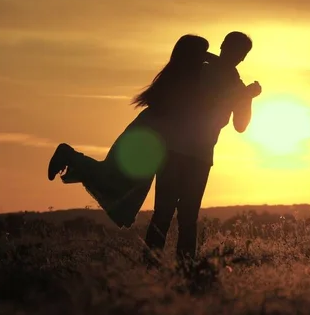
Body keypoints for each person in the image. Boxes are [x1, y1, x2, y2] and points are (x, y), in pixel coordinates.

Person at [47, 34, 215, 228]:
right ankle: (69, 155)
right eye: (202, 52)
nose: (206, 57)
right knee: (113, 179)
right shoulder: (185, 78)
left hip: (151, 137)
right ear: (192, 54)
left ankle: (71, 157)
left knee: (120, 183)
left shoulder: (182, 73)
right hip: (147, 138)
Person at [143, 31, 262, 265]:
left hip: (198, 156)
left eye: (242, 53)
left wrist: (247, 98)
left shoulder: (234, 82)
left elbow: (240, 125)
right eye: (236, 51)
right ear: (223, 46)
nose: (239, 57)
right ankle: (152, 267)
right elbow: (206, 101)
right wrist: (243, 94)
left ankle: (183, 269)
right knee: (166, 214)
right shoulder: (202, 70)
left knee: (185, 217)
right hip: (177, 151)